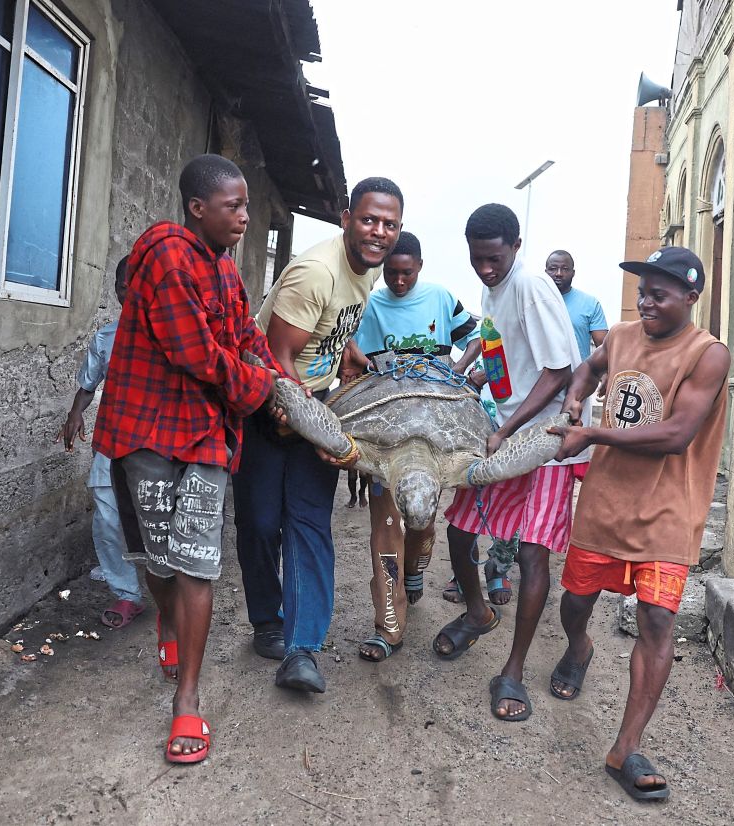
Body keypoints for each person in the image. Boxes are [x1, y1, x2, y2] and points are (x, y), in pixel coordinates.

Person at [92, 154, 287, 765]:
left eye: (248, 207)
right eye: (235, 207)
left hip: (204, 434)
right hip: (146, 432)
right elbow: (198, 354)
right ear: (198, 207)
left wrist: (282, 383)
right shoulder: (167, 255)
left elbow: (246, 339)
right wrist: (261, 393)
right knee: (157, 561)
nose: (246, 218)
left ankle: (188, 702)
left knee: (197, 565)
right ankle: (168, 623)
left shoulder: (224, 271)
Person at [547, 246, 729, 802]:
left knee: (656, 620)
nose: (646, 302)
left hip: (669, 510)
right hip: (605, 502)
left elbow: (676, 435)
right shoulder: (622, 336)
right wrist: (576, 400)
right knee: (577, 601)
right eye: (642, 291)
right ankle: (579, 648)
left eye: (660, 294)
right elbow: (588, 367)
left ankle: (625, 747)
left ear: (691, 297)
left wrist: (593, 435)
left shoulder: (708, 353)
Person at [234, 177, 404, 693]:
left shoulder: (365, 273)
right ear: (347, 218)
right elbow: (276, 356)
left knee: (309, 526)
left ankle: (303, 649)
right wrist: (321, 432)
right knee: (261, 525)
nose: (379, 232)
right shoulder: (316, 271)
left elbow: (335, 326)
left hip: (312, 403)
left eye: (390, 224)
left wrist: (348, 353)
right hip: (266, 406)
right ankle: (267, 620)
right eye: (370, 219)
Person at [431, 204, 581, 725]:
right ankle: (477, 611)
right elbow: (494, 345)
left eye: (494, 259)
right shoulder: (494, 289)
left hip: (542, 439)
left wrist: (507, 429)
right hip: (504, 430)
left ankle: (513, 669)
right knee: (458, 530)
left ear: (516, 247)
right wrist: (464, 379)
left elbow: (559, 372)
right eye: (477, 260)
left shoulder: (533, 287)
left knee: (532, 557)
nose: (485, 269)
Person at [349, 231, 481, 661]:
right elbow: (344, 345)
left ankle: (415, 567)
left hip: (436, 432)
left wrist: (459, 370)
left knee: (422, 519)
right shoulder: (369, 303)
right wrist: (365, 365)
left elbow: (479, 335)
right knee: (386, 527)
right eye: (391, 272)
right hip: (384, 434)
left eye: (406, 273)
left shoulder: (441, 298)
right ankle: (389, 626)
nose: (399, 281)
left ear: (420, 267)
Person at [471, 250, 613, 605]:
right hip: (516, 414)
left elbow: (596, 354)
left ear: (573, 271)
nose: (558, 273)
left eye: (565, 268)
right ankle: (497, 566)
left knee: (538, 534)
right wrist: (477, 375)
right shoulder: (502, 292)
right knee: (501, 510)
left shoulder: (583, 303)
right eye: (553, 267)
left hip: (559, 417)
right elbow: (504, 352)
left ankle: (512, 568)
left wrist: (596, 384)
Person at [56, 256, 150, 630]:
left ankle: (173, 586)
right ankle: (127, 594)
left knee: (157, 519)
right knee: (108, 517)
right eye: (121, 285)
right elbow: (88, 384)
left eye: (135, 283)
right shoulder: (106, 338)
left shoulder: (169, 338)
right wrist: (75, 414)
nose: (128, 290)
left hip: (156, 445)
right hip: (113, 440)